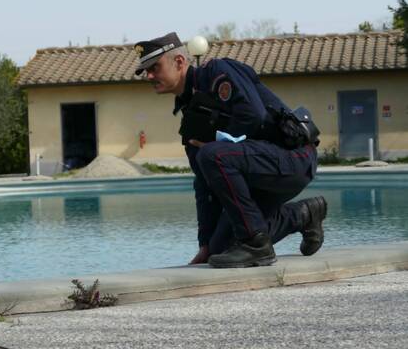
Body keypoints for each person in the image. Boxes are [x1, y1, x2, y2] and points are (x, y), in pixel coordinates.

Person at [133, 32, 327, 268]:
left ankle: (257, 245)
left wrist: (218, 143)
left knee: (213, 154)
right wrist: (205, 244)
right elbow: (203, 183)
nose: (149, 76)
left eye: (155, 67)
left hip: (293, 158)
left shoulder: (216, 73)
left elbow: (253, 115)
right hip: (257, 171)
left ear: (180, 62)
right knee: (221, 250)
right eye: (145, 71)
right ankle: (304, 214)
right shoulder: (190, 115)